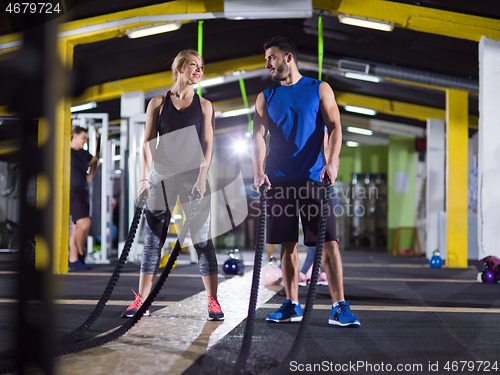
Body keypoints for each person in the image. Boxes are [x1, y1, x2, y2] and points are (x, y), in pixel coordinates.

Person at [251, 36, 360, 327]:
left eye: (271, 57)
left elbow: (336, 127)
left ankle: (339, 306)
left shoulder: (319, 88)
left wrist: (333, 162)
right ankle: (292, 304)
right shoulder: (266, 97)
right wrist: (258, 170)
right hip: (278, 181)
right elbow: (258, 137)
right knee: (287, 245)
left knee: (328, 244)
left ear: (288, 57)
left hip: (314, 178)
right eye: (266, 59)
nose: (267, 64)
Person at [121, 49, 224, 321]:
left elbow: (208, 145)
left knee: (202, 242)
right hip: (162, 177)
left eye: (201, 65)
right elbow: (146, 144)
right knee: (153, 242)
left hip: (193, 179)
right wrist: (145, 178)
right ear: (179, 68)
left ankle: (213, 301)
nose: (199, 69)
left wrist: (202, 177)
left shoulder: (204, 105)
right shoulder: (157, 103)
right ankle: (141, 300)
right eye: (193, 64)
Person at [69, 126, 98, 271]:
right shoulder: (66, 152)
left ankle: (74, 259)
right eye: (83, 138)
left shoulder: (82, 153)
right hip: (71, 192)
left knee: (76, 227)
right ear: (74, 135)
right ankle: (80, 253)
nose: (85, 141)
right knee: (85, 224)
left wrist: (90, 176)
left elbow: (94, 160)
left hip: (82, 191)